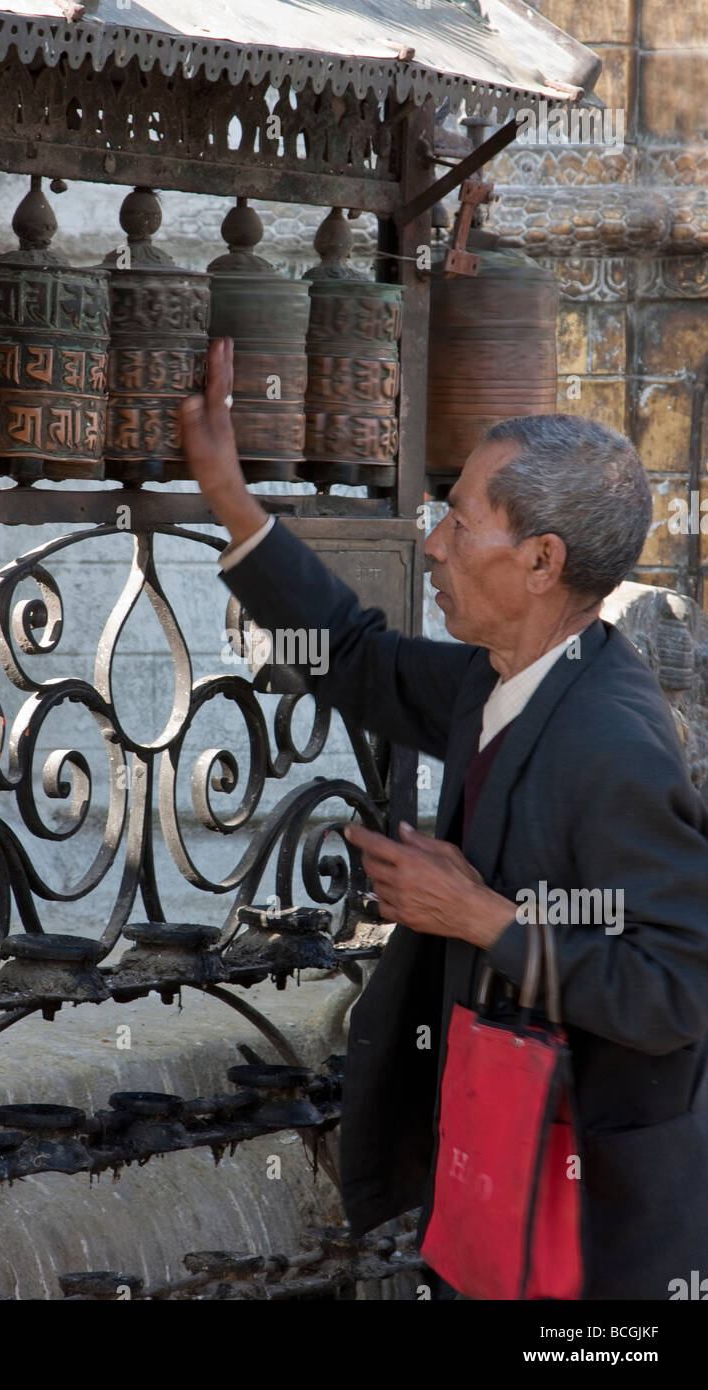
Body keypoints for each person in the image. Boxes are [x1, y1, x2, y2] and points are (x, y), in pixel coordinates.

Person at [179, 338, 708, 1300]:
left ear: (542, 561)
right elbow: (352, 660)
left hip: (596, 1221)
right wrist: (229, 495)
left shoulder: (613, 742)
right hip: (499, 1168)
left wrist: (483, 918)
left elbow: (675, 991)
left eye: (459, 523)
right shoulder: (501, 678)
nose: (431, 543)